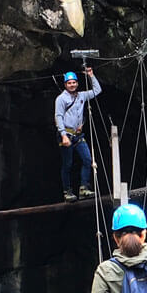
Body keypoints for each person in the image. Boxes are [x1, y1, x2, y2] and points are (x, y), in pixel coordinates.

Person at [54, 68, 102, 202]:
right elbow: (58, 116)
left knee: (87, 160)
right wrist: (63, 135)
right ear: (65, 84)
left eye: (74, 82)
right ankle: (67, 191)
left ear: (77, 83)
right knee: (67, 164)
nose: (72, 85)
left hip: (78, 135)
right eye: (69, 83)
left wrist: (91, 76)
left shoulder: (81, 96)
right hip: (67, 134)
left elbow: (97, 91)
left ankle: (83, 188)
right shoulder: (61, 99)